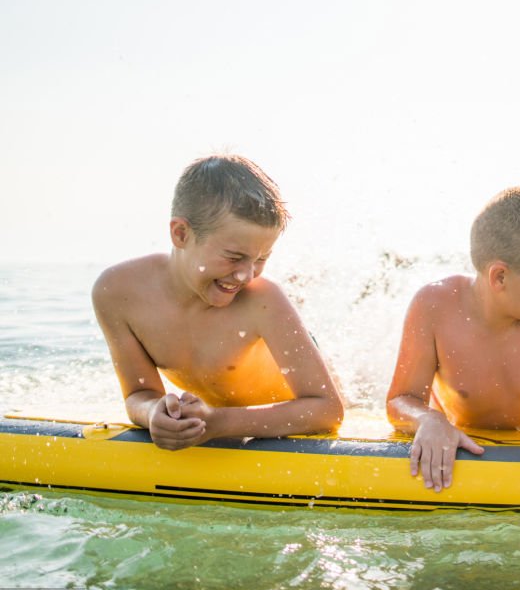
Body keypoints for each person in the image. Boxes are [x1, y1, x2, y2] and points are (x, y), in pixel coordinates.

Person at [92, 155, 344, 450]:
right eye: (235, 257)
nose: (246, 275)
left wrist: (217, 423)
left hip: (293, 416)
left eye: (262, 259)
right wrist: (154, 414)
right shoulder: (117, 293)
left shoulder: (262, 300)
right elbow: (139, 394)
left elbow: (327, 411)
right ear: (181, 234)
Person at [386, 187, 520, 511]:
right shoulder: (434, 306)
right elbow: (399, 402)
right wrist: (428, 420)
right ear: (500, 277)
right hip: (462, 432)